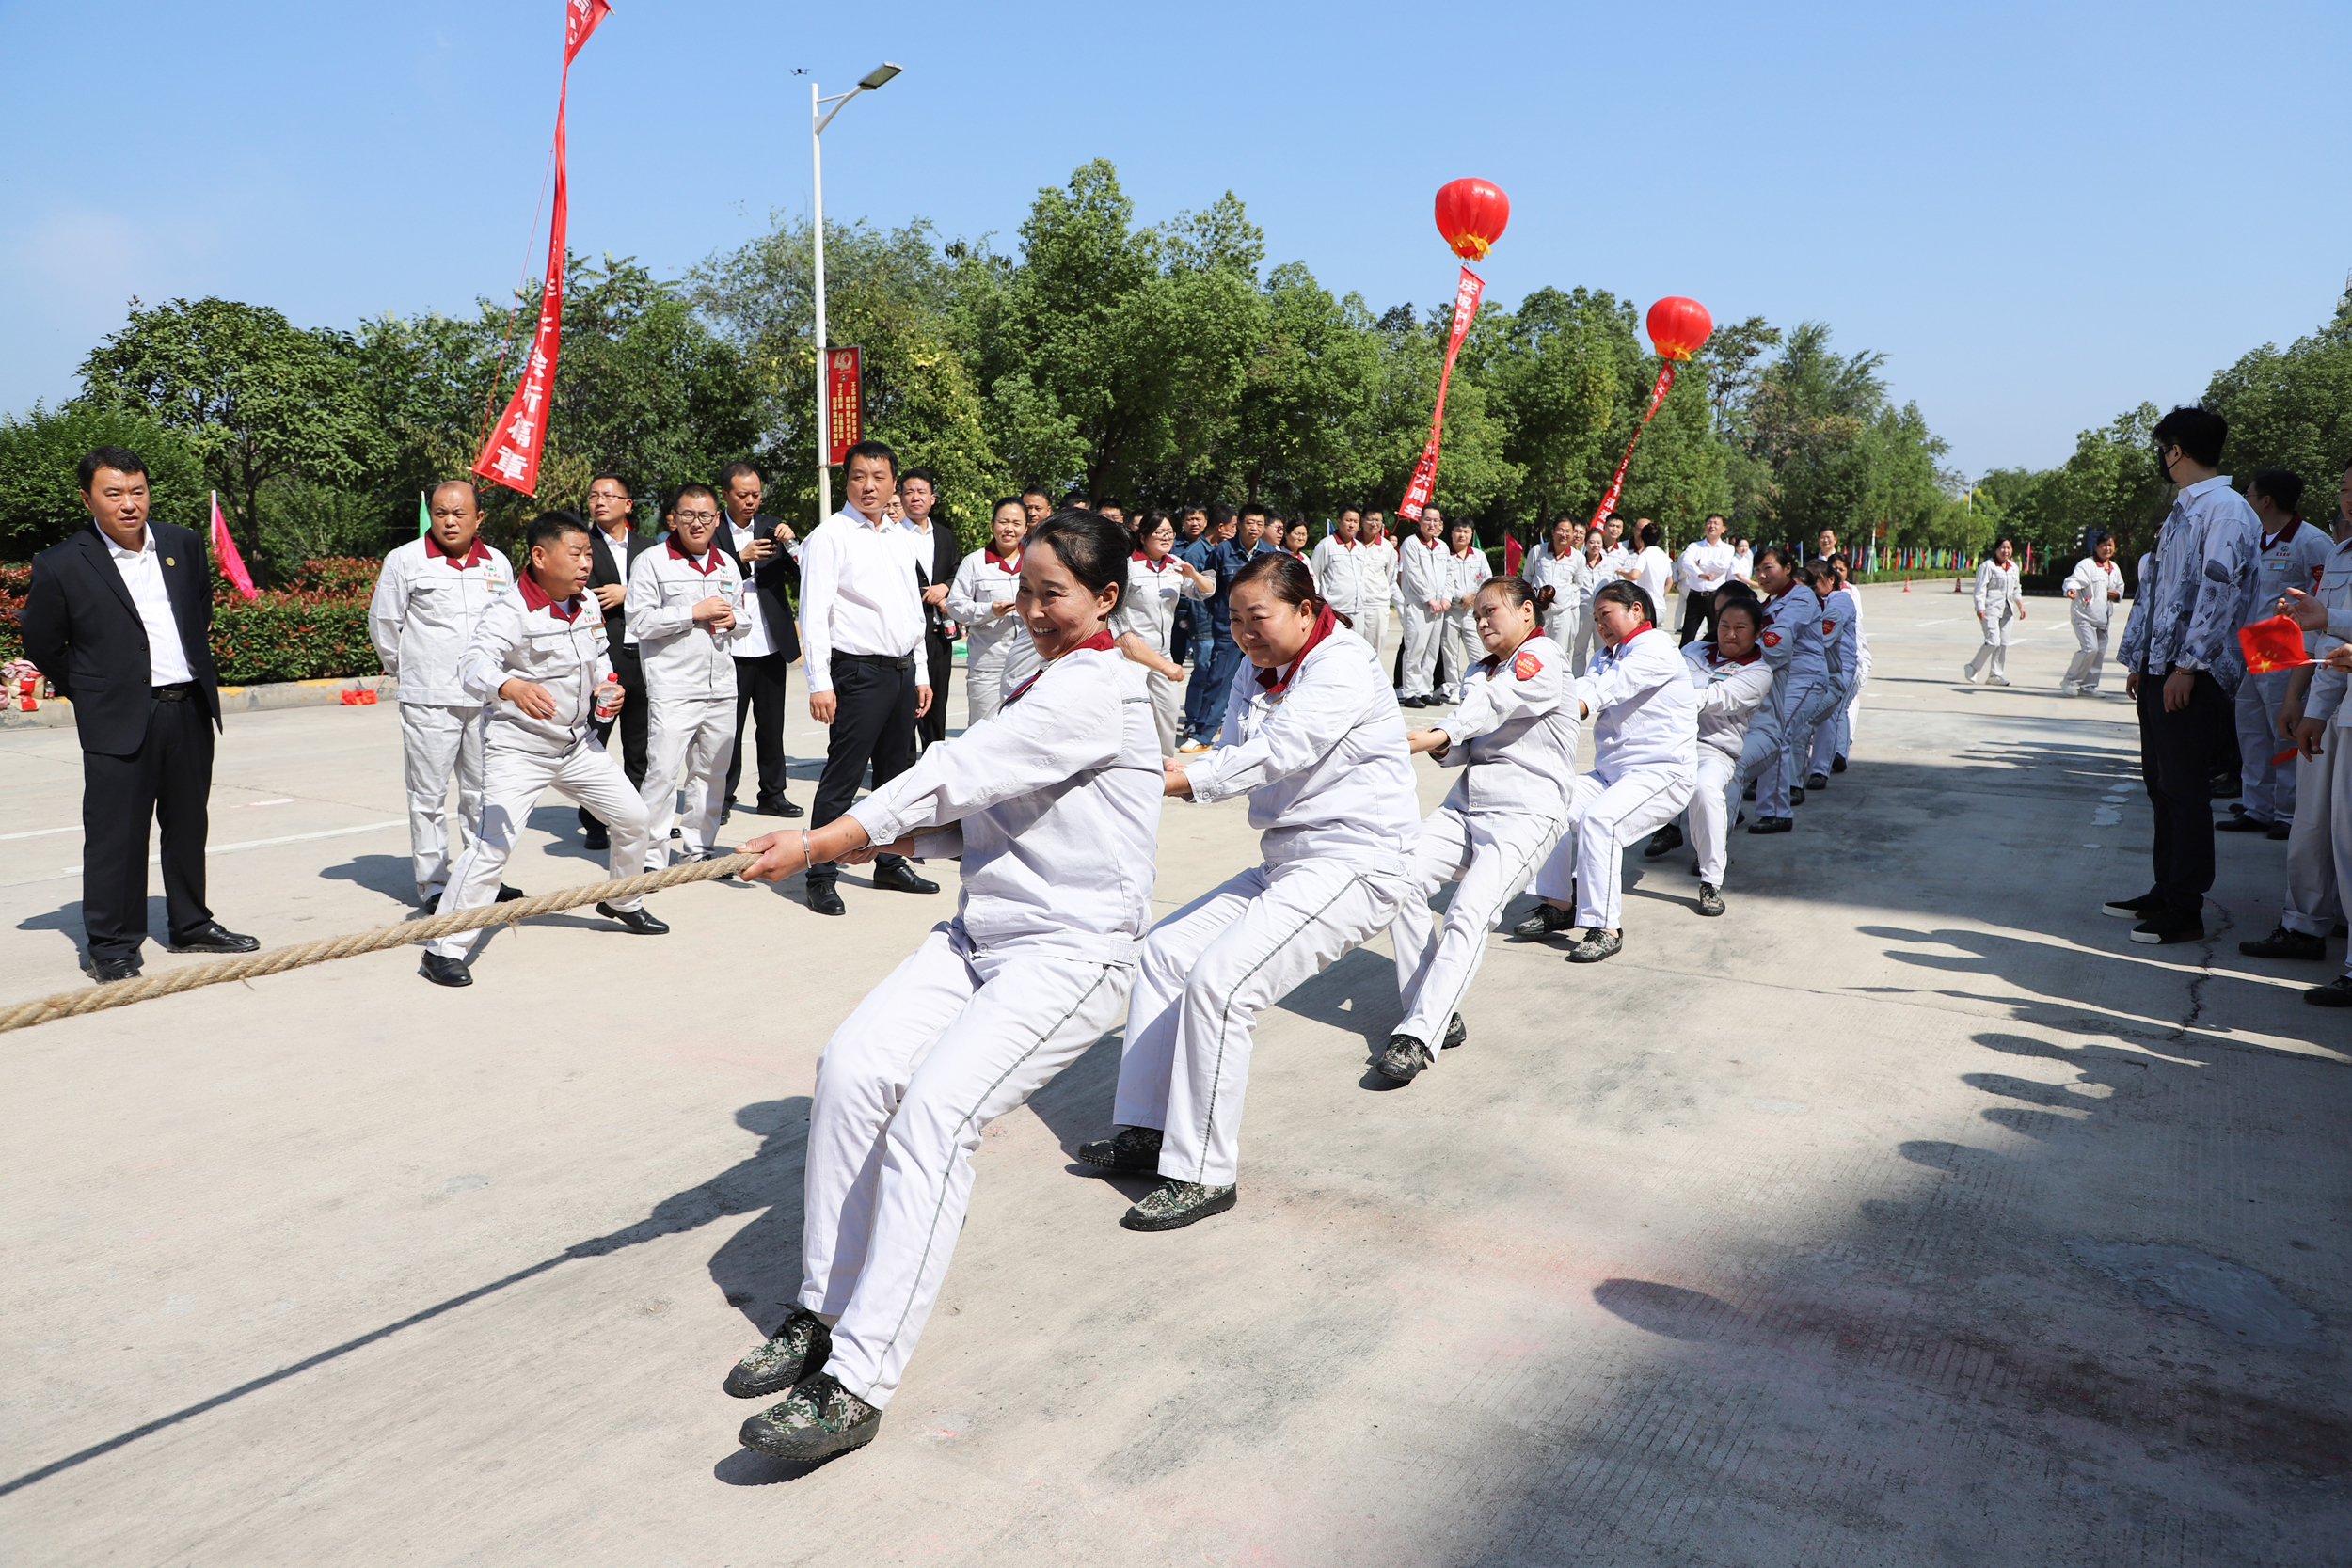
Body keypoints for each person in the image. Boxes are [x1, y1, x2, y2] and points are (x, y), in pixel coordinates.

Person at [719, 512, 1162, 1464]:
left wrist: (824, 838)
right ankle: (824, 1310)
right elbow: (981, 813)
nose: (1032, 610)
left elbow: (960, 769)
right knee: (852, 1068)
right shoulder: (1036, 677)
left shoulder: (1099, 688)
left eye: (1054, 594)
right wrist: (884, 837)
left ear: (1104, 598)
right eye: (1026, 590)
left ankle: (857, 1381)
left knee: (934, 1114)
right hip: (980, 932)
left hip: (1069, 951)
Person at [1077, 554, 1418, 1231]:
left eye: (1256, 617)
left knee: (1222, 983)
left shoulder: (1342, 663)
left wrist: (1179, 781)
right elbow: (1230, 750)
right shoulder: (1253, 668)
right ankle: (1150, 1130)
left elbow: (1280, 749)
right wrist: (1173, 766)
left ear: (1304, 609)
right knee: (1166, 952)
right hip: (1288, 860)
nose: (1243, 632)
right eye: (1233, 619)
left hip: (1356, 861)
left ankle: (1203, 1171)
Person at [20, 446, 258, 983]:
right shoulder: (61, 563)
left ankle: (191, 924)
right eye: (114, 493)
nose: (129, 504)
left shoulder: (182, 544)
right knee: (117, 835)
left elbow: (198, 608)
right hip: (118, 716)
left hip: (187, 706)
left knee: (187, 824)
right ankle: (112, 944)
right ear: (88, 500)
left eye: (137, 491)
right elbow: (42, 641)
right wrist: (92, 690)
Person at [421, 513, 666, 986]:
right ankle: (443, 948)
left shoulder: (586, 603)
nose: (586, 563)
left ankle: (622, 900)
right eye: (576, 554)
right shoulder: (509, 609)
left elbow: (599, 657)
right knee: (492, 846)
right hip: (519, 749)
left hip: (577, 745)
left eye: (588, 554)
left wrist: (606, 685)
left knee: (635, 819)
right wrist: (509, 686)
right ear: (540, 556)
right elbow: (472, 664)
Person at [1382, 575, 1578, 1083]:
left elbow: (1494, 705)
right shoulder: (1479, 670)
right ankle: (1434, 1008)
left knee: (1468, 911)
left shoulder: (1541, 656)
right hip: (1467, 806)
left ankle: (1417, 1034)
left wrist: (1436, 733)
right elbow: (1465, 744)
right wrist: (1442, 743)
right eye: (1477, 616)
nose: (1482, 621)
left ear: (1527, 612)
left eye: (1492, 611)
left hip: (1527, 812)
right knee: (1398, 879)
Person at [2106, 404, 2259, 946]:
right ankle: (2166, 888)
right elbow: (2156, 591)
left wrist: (2187, 666)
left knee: (2185, 788)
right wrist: (2140, 659)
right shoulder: (2185, 508)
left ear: (2177, 450)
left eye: (2163, 448)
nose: (2162, 458)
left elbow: (2218, 594)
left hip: (2193, 673)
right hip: (2161, 668)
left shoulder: (2226, 511)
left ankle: (2186, 907)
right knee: (2161, 784)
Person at [1511, 581, 1696, 962]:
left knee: (1600, 822)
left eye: (1605, 614)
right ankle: (1560, 904)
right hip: (1611, 775)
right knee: (1551, 801)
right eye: (1595, 618)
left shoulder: (1656, 647)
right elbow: (1584, 685)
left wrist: (1574, 706)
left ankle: (1605, 926)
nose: (1600, 625)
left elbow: (1614, 685)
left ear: (1636, 611)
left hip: (1661, 774)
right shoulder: (1604, 655)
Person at [799, 440, 940, 918]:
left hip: (901, 671)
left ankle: (889, 862)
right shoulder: (830, 536)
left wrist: (920, 670)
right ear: (847, 481)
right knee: (844, 775)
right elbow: (814, 614)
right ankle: (820, 874)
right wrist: (819, 682)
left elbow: (912, 611)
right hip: (857, 673)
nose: (868, 486)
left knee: (897, 776)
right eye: (859, 476)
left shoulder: (899, 536)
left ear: (893, 483)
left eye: (879, 477)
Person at [368, 479, 519, 911]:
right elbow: (384, 625)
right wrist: (414, 672)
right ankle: (434, 885)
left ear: (478, 518)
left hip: (485, 700)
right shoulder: (405, 560)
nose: (449, 521)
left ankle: (480, 879)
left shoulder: (498, 563)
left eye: (459, 513)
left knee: (483, 794)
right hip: (429, 700)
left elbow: (509, 625)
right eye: (440, 513)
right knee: (428, 796)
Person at [2248, 463, 2352, 973]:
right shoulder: (2338, 553)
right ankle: (2303, 925)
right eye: (2346, 488)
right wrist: (2306, 703)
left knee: (2344, 835)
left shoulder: (2311, 542)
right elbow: (2322, 639)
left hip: (2317, 682)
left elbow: (2325, 623)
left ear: (2267, 499)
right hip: (2297, 671)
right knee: (2312, 823)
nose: (2348, 497)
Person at [627, 484, 746, 866]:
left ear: (717, 519)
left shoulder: (727, 564)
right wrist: (693, 612)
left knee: (711, 773)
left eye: (705, 516)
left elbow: (743, 616)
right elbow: (639, 620)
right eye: (688, 515)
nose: (697, 523)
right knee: (663, 773)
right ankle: (650, 856)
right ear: (673, 519)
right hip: (673, 686)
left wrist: (733, 619)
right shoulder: (652, 562)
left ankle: (699, 850)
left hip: (721, 686)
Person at [1643, 590, 1772, 917]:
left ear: (1758, 632)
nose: (1730, 634)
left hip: (1712, 749)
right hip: (1668, 741)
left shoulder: (1758, 672)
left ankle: (1711, 880)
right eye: (1724, 625)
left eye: (1740, 628)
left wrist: (1672, 695)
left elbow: (1716, 698)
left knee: (1705, 790)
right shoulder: (1693, 651)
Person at [2221, 470, 2329, 837]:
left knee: (2284, 728)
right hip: (2250, 645)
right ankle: (2257, 807)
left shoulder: (2311, 542)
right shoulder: (2252, 539)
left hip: (2286, 648)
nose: (2246, 501)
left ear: (2266, 501)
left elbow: (2323, 598)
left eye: (2249, 495)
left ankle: (2287, 812)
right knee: (2251, 729)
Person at [716, 463, 803, 823]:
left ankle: (773, 794)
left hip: (769, 642)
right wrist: (741, 559)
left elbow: (803, 572)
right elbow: (705, 578)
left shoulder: (772, 527)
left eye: (755, 494)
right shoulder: (712, 530)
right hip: (729, 646)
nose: (750, 501)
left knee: (771, 725)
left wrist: (792, 541)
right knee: (728, 729)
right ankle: (721, 797)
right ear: (725, 494)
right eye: (742, 495)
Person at [578, 473, 657, 850]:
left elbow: (663, 593)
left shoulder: (648, 547)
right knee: (595, 743)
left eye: (608, 495)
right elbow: (583, 590)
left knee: (640, 747)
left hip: (645, 657)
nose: (599, 501)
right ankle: (593, 821)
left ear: (627, 504)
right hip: (605, 659)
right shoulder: (582, 545)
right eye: (594, 495)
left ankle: (635, 820)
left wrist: (629, 593)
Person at [1112, 509, 1213, 755]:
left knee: (1168, 710)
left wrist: (1193, 575)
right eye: (1159, 532)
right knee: (1133, 713)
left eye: (1170, 532)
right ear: (1143, 536)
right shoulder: (1129, 565)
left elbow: (1206, 591)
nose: (1166, 537)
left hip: (1163, 652)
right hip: (1132, 654)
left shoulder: (1175, 564)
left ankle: (1165, 760)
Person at [1743, 546, 1829, 834]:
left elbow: (1780, 635)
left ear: (1788, 568)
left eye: (1768, 568)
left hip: (1805, 676)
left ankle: (1777, 812)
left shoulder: (1801, 596)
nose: (1762, 575)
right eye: (1757, 571)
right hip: (1780, 679)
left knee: (1779, 735)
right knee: (1766, 734)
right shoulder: (1768, 604)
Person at [947, 498, 1041, 726]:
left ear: (1026, 528)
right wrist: (989, 610)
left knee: (1025, 728)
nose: (1009, 529)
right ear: (992, 525)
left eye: (1016, 523)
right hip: (988, 664)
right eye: (1003, 522)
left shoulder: (1037, 561)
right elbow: (955, 606)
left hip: (1030, 664)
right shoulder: (974, 562)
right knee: (984, 728)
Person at [898, 468, 962, 751]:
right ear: (901, 497)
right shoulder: (893, 536)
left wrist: (945, 587)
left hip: (938, 632)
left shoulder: (945, 535)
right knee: (908, 703)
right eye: (909, 492)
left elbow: (957, 571)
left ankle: (935, 758)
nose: (915, 497)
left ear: (932, 498)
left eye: (921, 492)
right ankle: (904, 763)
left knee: (937, 702)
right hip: (907, 631)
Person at [1179, 504, 1248, 751]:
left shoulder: (1265, 551)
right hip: (1210, 625)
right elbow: (1201, 591)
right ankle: (1197, 727)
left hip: (1235, 627)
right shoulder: (1208, 552)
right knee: (1208, 675)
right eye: (1236, 526)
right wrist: (1190, 618)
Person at [1805, 557, 1859, 789]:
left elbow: (1827, 630)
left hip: (1838, 666)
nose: (1811, 585)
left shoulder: (1840, 599)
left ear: (1830, 580)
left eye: (1815, 580)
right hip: (1808, 665)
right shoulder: (1804, 600)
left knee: (1829, 711)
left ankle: (1819, 770)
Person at [1396, 507, 1451, 706]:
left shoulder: (1442, 547)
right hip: (1418, 605)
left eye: (1436, 521)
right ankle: (1410, 691)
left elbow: (1449, 574)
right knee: (1415, 648)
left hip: (1439, 607)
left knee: (1432, 650)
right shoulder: (1411, 544)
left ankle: (1425, 689)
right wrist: (1429, 599)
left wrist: (1446, 598)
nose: (1432, 524)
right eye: (1428, 520)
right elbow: (1413, 574)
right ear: (1419, 521)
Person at [2061, 531, 2125, 698]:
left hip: (2103, 618)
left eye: (2110, 545)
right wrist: (2071, 589)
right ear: (2096, 547)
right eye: (2103, 545)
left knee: (2099, 653)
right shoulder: (2087, 565)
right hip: (2084, 615)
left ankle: (2088, 686)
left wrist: (2116, 594)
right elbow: (2075, 579)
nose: (2107, 548)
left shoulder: (2114, 569)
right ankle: (2070, 681)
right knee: (2090, 648)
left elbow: (2120, 587)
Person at [1520, 514, 1584, 666]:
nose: (1564, 534)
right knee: (1534, 649)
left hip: (1562, 613)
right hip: (1538, 611)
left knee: (1560, 652)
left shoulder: (1578, 558)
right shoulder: (1537, 551)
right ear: (1553, 531)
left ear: (1573, 534)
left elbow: (1577, 584)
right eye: (1560, 530)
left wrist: (1563, 597)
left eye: (1568, 531)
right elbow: (1527, 577)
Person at [1436, 515, 1487, 704]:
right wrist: (1460, 596)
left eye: (1466, 531)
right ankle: (1454, 688)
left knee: (1477, 651)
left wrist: (1474, 597)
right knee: (1450, 652)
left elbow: (1486, 580)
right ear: (1451, 533)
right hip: (1451, 611)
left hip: (1473, 613)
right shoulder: (1445, 555)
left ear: (1471, 534)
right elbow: (1442, 581)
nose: (1462, 535)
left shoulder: (1479, 556)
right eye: (1458, 531)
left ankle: (1478, 685)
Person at [1963, 539, 2025, 685]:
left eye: (2008, 548)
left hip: (2007, 609)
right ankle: (1972, 667)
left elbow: (2016, 588)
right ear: (1996, 549)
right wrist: (1980, 607)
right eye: (2002, 548)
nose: (2005, 551)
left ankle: (1995, 675)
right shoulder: (1987, 566)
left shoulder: (2014, 568)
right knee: (1993, 641)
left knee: (2003, 643)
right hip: (1990, 608)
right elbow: (1980, 588)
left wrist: (2021, 605)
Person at [1310, 506, 1375, 638]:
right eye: (1348, 520)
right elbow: (1314, 576)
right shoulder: (1326, 545)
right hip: (1336, 610)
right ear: (1339, 521)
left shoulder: (1360, 548)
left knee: (1357, 646)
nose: (1352, 525)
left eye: (1355, 522)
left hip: (1358, 611)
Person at [1676, 514, 1736, 645]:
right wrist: (1699, 574)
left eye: (1716, 523)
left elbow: (1723, 566)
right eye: (1709, 522)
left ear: (1723, 529)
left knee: (1716, 635)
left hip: (1716, 597)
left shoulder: (1727, 548)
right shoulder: (1694, 546)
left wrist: (1700, 562)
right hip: (1695, 596)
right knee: (1688, 636)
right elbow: (1686, 562)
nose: (1712, 526)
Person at [1358, 509, 1397, 666]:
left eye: (1378, 520)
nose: (1374, 524)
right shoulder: (1352, 543)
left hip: (1377, 604)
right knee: (1354, 649)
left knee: (1374, 651)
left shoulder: (1387, 547)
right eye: (1370, 519)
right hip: (1354, 606)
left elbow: (1389, 577)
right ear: (1362, 520)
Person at [1631, 521, 1674, 620]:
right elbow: (1669, 581)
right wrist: (1661, 595)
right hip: (1661, 607)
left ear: (1641, 540)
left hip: (1647, 608)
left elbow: (1634, 575)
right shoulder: (1664, 556)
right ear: (1658, 540)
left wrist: (1622, 572)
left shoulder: (1644, 555)